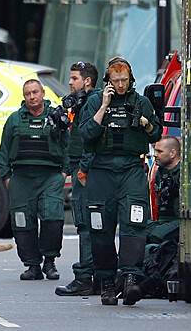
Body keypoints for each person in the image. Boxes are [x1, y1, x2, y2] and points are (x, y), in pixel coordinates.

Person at [79, 57, 162, 306]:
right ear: (108, 81)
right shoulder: (95, 101)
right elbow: (86, 135)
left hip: (132, 170)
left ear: (131, 79)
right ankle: (106, 282)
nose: (121, 85)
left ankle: (130, 279)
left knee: (134, 225)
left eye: (124, 80)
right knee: (100, 228)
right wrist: (103, 106)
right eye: (116, 81)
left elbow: (157, 134)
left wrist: (145, 123)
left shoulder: (141, 102)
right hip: (102, 170)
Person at [0, 79, 69, 281]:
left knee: (53, 219)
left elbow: (68, 146)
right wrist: (8, 179)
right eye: (28, 93)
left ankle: (50, 262)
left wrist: (63, 174)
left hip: (50, 177)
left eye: (35, 92)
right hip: (21, 178)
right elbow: (3, 152)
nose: (32, 96)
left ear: (43, 93)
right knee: (22, 223)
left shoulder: (56, 117)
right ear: (24, 96)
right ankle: (32, 265)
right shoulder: (14, 120)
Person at [56, 62, 100, 296]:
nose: (70, 83)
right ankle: (97, 277)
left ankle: (85, 278)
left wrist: (82, 170)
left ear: (87, 81)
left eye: (74, 78)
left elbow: (90, 141)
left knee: (84, 223)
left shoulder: (91, 102)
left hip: (86, 172)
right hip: (81, 169)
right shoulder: (83, 103)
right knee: (89, 224)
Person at [146, 136, 180, 244]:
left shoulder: (183, 174)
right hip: (160, 221)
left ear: (172, 153)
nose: (155, 154)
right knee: (135, 233)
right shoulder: (160, 172)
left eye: (159, 151)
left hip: (180, 222)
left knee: (157, 235)